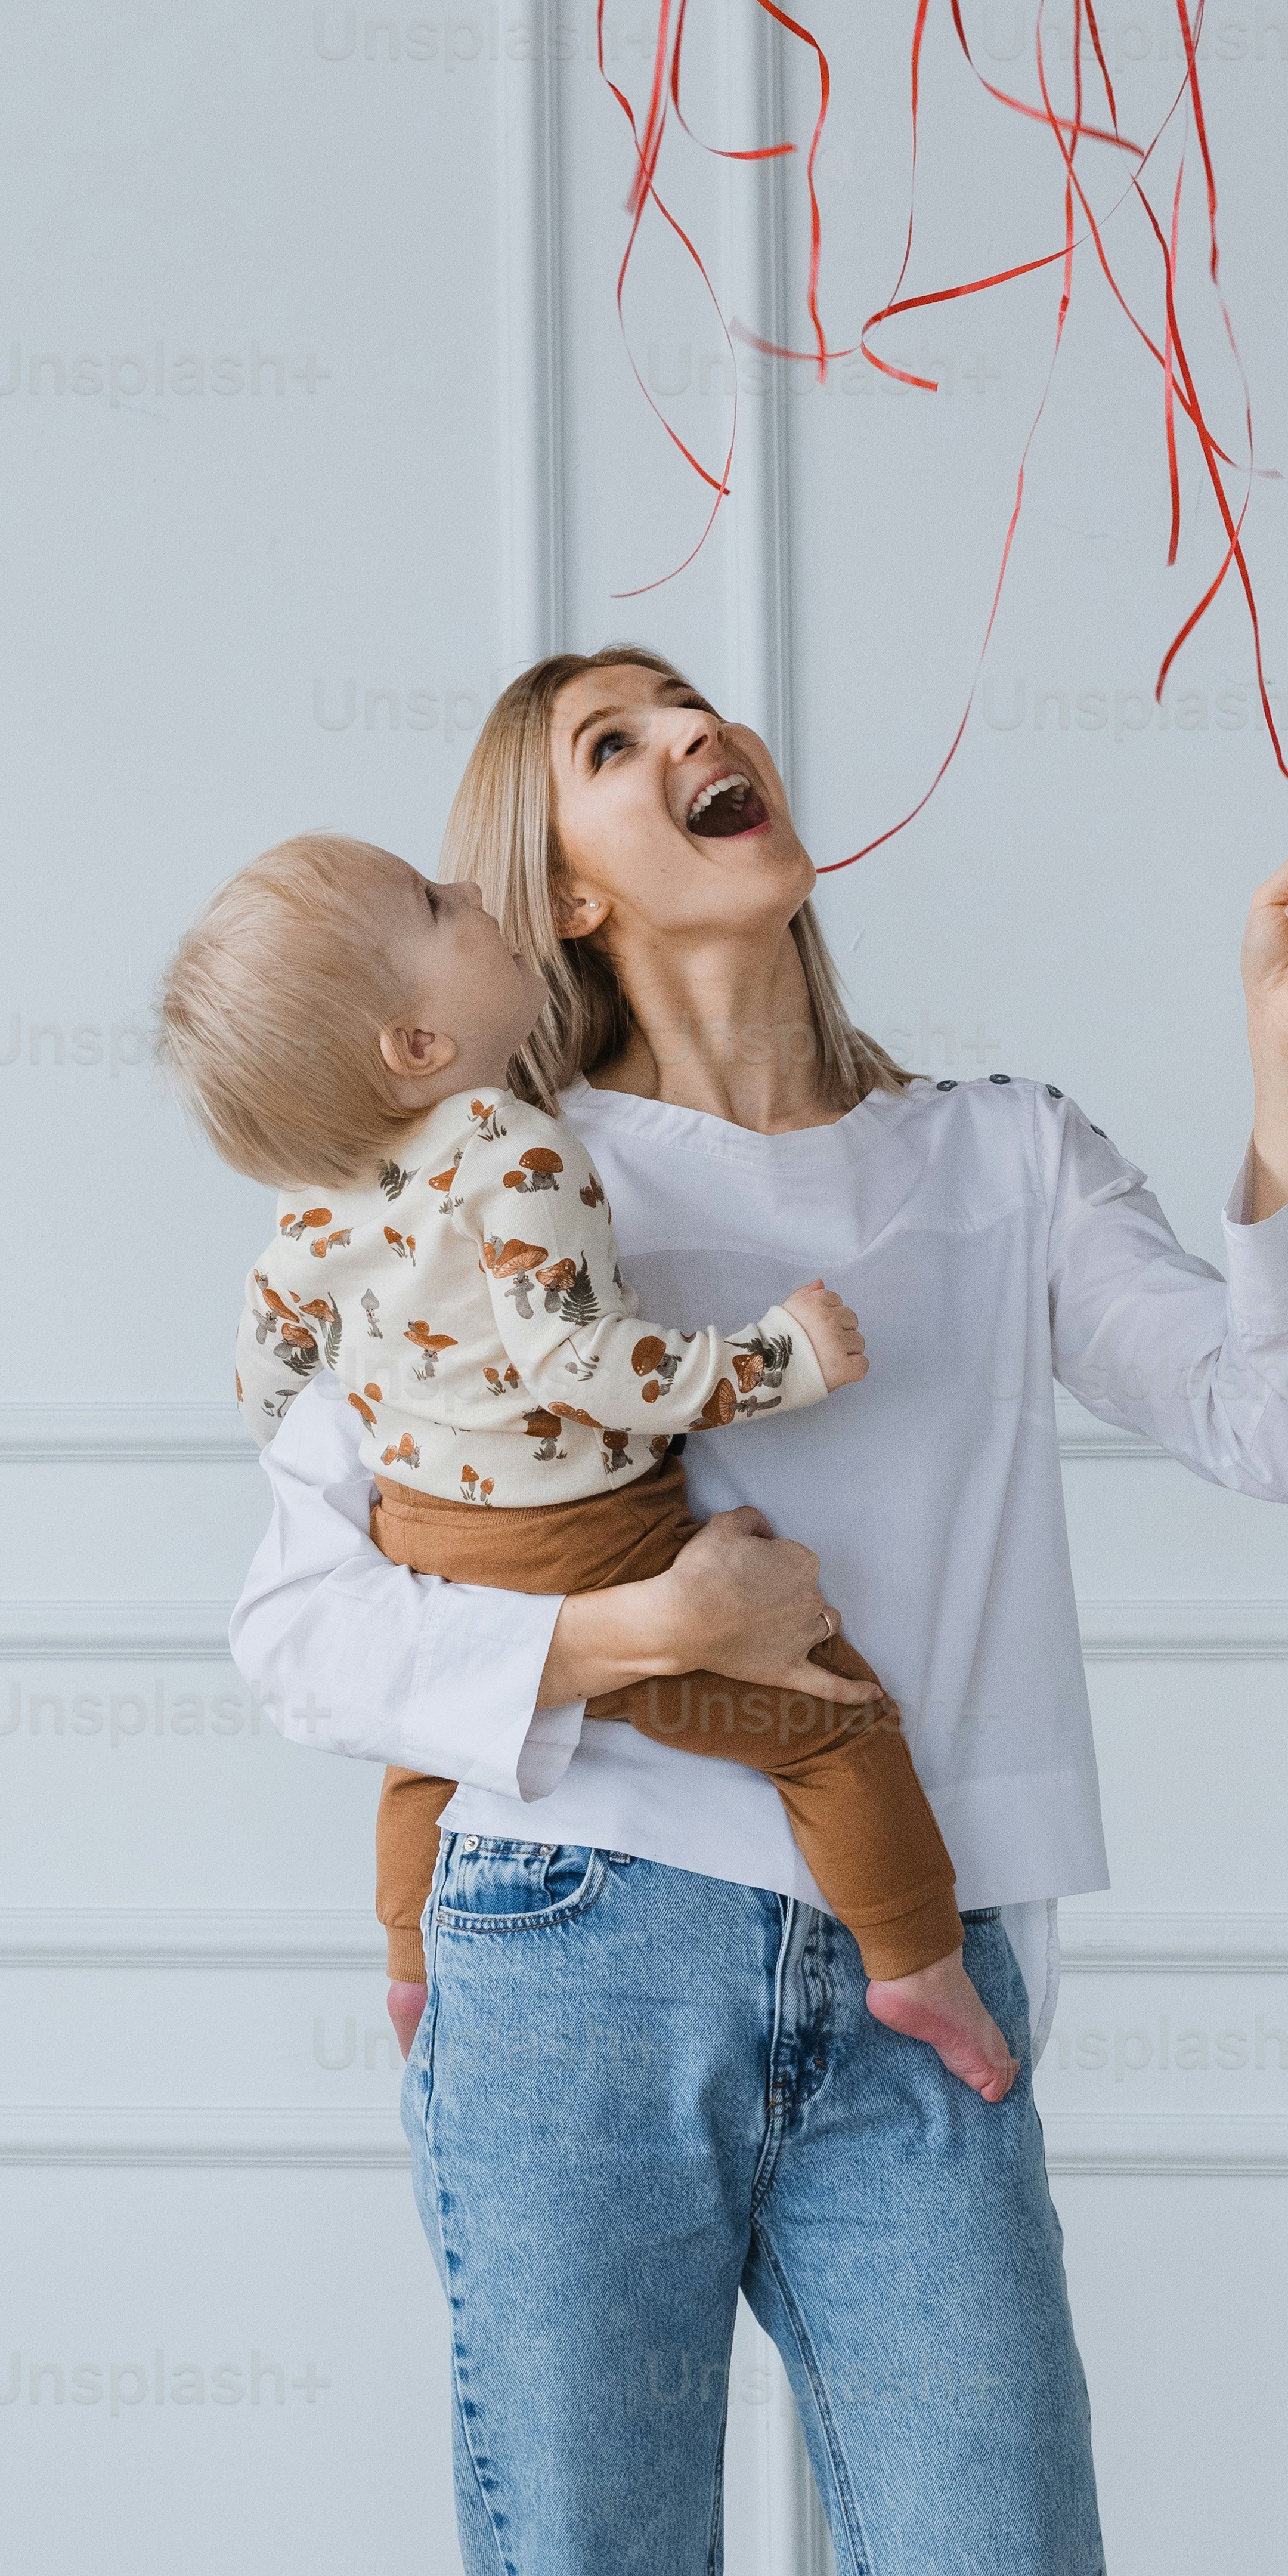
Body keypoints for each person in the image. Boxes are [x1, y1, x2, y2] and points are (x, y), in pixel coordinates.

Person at [229, 648, 1288, 2576]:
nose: (685, 742)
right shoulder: (489, 1170)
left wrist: (1287, 1069)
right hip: (565, 1955)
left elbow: (1276, 1425)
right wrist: (629, 1641)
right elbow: (298, 1621)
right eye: (610, 746)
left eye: (691, 710)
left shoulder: (987, 1157)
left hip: (915, 2000)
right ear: (560, 879)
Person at [158, 827, 1015, 2100]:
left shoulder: (311, 1207)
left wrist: (405, 1421)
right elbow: (586, 1366)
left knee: (432, 1750)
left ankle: (411, 1963)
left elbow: (265, 1386)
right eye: (437, 903)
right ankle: (916, 1961)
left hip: (425, 1531)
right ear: (418, 1045)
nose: (473, 897)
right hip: (589, 1535)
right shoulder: (515, 1150)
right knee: (833, 1731)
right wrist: (780, 1357)